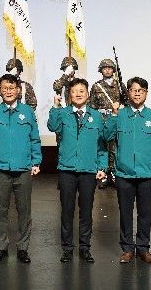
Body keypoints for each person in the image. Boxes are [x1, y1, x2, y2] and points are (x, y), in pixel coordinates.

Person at [104, 77, 151, 265]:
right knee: (125, 213)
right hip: (124, 174)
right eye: (133, 90)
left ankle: (143, 248)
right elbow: (107, 136)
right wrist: (113, 115)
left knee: (145, 213)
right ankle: (127, 249)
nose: (137, 93)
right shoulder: (120, 115)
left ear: (146, 93)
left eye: (141, 90)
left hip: (147, 173)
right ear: (128, 93)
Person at [0, 74, 41, 264]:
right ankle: (1, 247)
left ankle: (23, 248)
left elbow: (34, 138)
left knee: (24, 210)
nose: (8, 91)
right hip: (1, 168)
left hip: (23, 168)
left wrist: (36, 162)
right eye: (4, 88)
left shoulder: (27, 112)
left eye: (12, 88)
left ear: (18, 90)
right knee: (0, 211)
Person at [47, 78, 107, 263]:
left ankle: (84, 247)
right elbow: (52, 126)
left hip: (88, 170)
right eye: (74, 91)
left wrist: (102, 166)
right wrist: (55, 107)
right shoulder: (62, 113)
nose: (78, 94)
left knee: (86, 211)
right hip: (67, 169)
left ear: (87, 94)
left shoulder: (96, 116)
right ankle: (67, 248)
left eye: (82, 91)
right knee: (67, 210)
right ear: (69, 95)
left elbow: (102, 145)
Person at [88, 58, 125, 189]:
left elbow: (126, 103)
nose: (108, 70)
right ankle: (103, 173)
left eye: (110, 68)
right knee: (102, 146)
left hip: (116, 118)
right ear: (101, 70)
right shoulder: (96, 86)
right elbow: (92, 106)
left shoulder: (120, 85)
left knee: (115, 146)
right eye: (105, 68)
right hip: (101, 119)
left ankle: (114, 173)